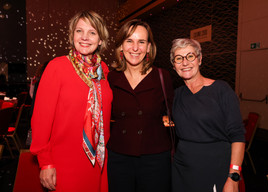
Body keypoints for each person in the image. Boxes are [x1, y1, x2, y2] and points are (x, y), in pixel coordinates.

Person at [30, 10, 112, 192]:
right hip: (63, 162)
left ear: (100, 40)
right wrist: (45, 163)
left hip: (97, 162)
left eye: (92, 32)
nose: (84, 37)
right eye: (79, 31)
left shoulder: (103, 71)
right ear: (72, 35)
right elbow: (41, 119)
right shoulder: (57, 67)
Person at [170, 38, 245, 192]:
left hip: (215, 167)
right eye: (179, 58)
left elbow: (237, 135)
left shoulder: (221, 90)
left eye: (190, 56)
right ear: (174, 65)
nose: (185, 63)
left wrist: (233, 176)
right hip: (182, 170)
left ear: (199, 59)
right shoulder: (175, 95)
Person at [107, 19, 174, 192]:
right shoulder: (111, 78)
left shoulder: (162, 76)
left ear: (149, 47)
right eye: (129, 41)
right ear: (121, 46)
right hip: (119, 157)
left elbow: (173, 113)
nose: (135, 48)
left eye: (141, 42)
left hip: (155, 158)